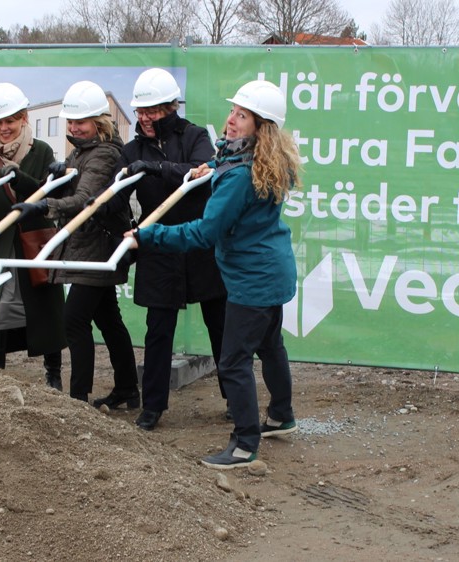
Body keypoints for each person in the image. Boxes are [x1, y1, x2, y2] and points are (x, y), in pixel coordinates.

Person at [125, 80, 302, 469]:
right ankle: (281, 415)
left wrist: (148, 236)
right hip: (273, 271)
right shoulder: (260, 160)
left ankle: (243, 444)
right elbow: (232, 164)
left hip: (252, 279)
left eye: (242, 115)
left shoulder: (241, 176)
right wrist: (215, 164)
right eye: (233, 112)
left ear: (262, 127)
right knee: (271, 346)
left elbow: (205, 232)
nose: (231, 120)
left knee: (234, 361)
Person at [102, 68, 227, 431]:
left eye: (153, 111)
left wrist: (156, 169)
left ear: (172, 107)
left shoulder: (195, 136)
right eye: (140, 112)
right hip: (157, 245)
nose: (145, 118)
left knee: (220, 326)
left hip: (199, 244)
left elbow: (199, 173)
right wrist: (110, 206)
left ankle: (234, 397)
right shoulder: (131, 150)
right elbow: (117, 197)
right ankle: (152, 406)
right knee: (158, 332)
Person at [12, 80, 138, 404]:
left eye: (80, 122)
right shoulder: (83, 151)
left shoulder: (104, 155)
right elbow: (65, 187)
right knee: (109, 320)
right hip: (90, 247)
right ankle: (128, 388)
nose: (74, 127)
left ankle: (78, 398)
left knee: (74, 321)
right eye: (70, 122)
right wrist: (48, 181)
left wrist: (44, 206)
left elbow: (85, 200)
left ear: (99, 123)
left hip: (97, 249)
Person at [0, 82, 66, 389]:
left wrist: (18, 179)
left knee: (46, 305)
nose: (4, 128)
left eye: (10, 120)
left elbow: (45, 196)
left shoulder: (42, 151)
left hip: (35, 242)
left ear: (24, 118)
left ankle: (53, 372)